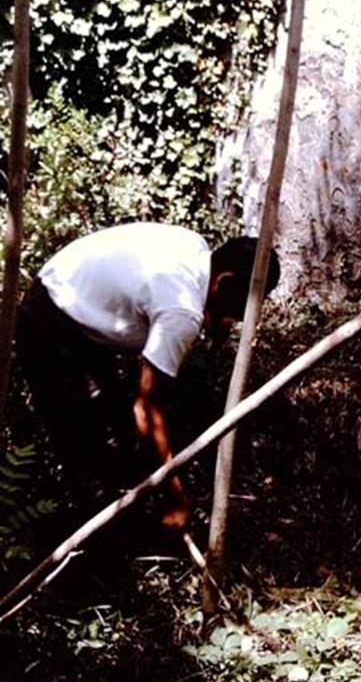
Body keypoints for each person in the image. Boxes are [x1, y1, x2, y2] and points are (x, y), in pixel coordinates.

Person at [15, 223, 280, 530]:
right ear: (224, 283)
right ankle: (92, 542)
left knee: (118, 421)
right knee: (85, 444)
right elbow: (147, 409)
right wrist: (175, 499)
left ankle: (125, 499)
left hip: (65, 291)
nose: (239, 319)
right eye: (240, 309)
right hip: (51, 327)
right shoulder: (182, 312)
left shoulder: (194, 248)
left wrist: (216, 320)